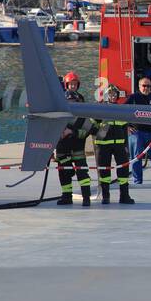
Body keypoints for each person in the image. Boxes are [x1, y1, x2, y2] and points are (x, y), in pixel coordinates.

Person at [91, 84, 135, 205]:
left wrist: (126, 145)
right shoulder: (100, 109)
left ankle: (124, 196)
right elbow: (91, 125)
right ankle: (106, 196)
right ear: (106, 95)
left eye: (115, 94)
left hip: (119, 145)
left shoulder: (121, 109)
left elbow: (124, 127)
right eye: (110, 94)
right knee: (104, 172)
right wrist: (100, 133)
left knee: (123, 171)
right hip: (103, 145)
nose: (113, 96)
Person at [55, 71, 92, 206]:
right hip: (63, 145)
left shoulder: (82, 105)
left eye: (75, 84)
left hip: (77, 145)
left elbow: (87, 128)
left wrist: (73, 132)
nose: (73, 86)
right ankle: (66, 196)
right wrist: (61, 132)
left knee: (82, 173)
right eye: (71, 84)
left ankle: (86, 197)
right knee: (63, 172)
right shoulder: (59, 103)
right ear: (66, 85)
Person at [126, 76, 151, 185]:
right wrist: (127, 126)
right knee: (136, 157)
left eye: (148, 86)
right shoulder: (133, 98)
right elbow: (122, 112)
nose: (146, 88)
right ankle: (137, 181)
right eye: (144, 86)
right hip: (137, 133)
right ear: (139, 86)